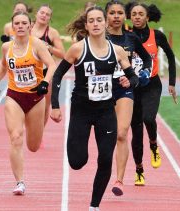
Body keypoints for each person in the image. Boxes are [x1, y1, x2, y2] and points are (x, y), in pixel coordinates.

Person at [50, 6, 139, 211]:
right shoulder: (78, 49)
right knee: (77, 162)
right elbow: (57, 75)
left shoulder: (117, 51)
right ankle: (79, 151)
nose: (97, 23)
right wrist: (55, 105)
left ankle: (94, 206)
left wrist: (129, 81)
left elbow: (133, 77)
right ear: (87, 25)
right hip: (81, 110)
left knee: (106, 158)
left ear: (105, 23)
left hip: (106, 111)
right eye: (92, 20)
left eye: (100, 20)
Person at [0, 11, 56, 195]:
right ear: (12, 27)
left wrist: (44, 83)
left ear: (30, 26)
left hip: (35, 98)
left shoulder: (36, 44)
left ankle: (32, 137)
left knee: (33, 146)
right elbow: (4, 65)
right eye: (16, 23)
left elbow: (52, 65)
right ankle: (19, 182)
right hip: (14, 96)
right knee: (15, 137)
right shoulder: (6, 47)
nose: (20, 26)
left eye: (23, 23)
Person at [126, 2, 177, 186]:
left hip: (152, 85)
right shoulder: (126, 36)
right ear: (130, 17)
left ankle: (154, 145)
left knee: (149, 118)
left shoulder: (157, 36)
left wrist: (172, 83)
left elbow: (170, 56)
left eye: (141, 14)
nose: (137, 17)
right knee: (135, 130)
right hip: (131, 87)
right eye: (134, 14)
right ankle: (139, 170)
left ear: (148, 17)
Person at [105, 0, 152, 196]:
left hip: (124, 88)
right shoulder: (98, 37)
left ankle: (119, 180)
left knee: (122, 133)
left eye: (119, 13)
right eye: (112, 13)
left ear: (125, 16)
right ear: (106, 15)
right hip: (101, 91)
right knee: (105, 137)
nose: (116, 16)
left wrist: (140, 75)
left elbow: (147, 58)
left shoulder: (131, 38)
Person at [30, 4, 65, 125]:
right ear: (36, 14)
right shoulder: (27, 28)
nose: (44, 16)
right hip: (28, 71)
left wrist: (49, 47)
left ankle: (40, 135)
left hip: (46, 74)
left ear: (50, 18)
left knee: (44, 107)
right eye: (42, 13)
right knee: (27, 105)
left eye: (47, 14)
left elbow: (62, 54)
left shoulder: (52, 33)